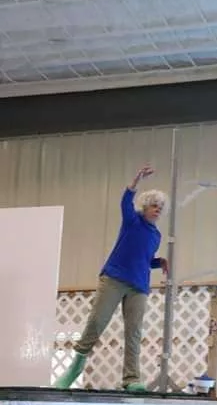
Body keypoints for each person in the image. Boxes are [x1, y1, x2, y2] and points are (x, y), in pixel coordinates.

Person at [54, 165, 169, 392]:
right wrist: (135, 180)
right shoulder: (132, 221)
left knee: (134, 332)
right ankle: (75, 367)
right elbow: (125, 202)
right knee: (97, 322)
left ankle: (131, 379)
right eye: (154, 206)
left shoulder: (156, 235)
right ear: (145, 208)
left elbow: (143, 258)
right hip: (114, 278)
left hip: (139, 286)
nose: (157, 210)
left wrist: (159, 262)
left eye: (160, 207)